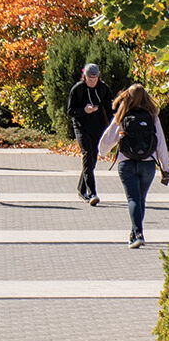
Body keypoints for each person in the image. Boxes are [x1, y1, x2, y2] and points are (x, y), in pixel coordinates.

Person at [99, 84, 169, 247]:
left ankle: (137, 234)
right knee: (140, 199)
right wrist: (165, 168)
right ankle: (135, 231)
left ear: (127, 97)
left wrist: (102, 152)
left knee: (133, 198)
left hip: (126, 163)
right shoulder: (152, 116)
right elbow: (160, 144)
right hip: (148, 164)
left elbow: (108, 138)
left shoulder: (123, 115)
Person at [70, 62, 114, 205]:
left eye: (94, 79)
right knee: (88, 154)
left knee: (92, 160)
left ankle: (80, 188)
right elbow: (70, 111)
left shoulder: (103, 88)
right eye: (89, 79)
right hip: (81, 127)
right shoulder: (77, 89)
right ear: (85, 76)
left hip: (97, 127)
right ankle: (92, 193)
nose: (92, 82)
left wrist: (115, 125)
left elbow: (109, 109)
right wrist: (84, 110)